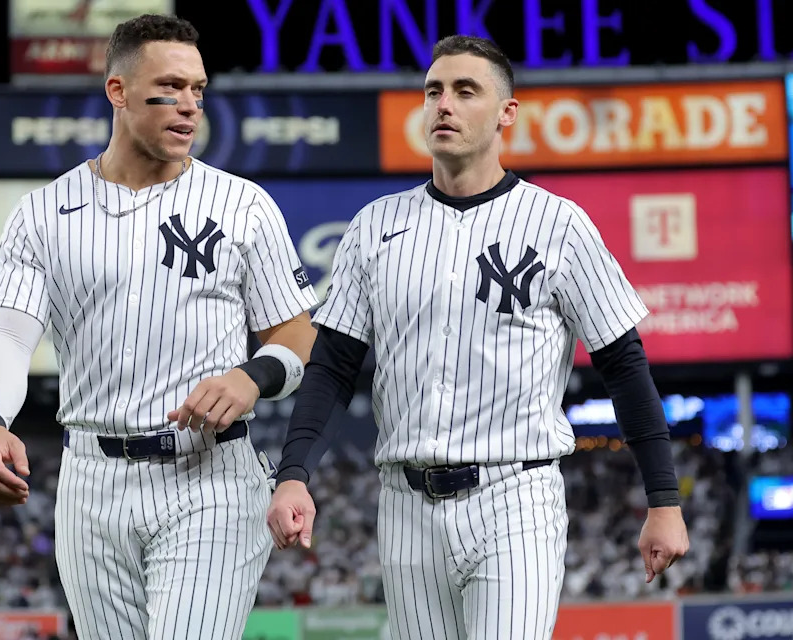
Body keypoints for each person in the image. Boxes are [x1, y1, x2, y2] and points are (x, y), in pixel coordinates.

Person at [266, 35, 689, 639]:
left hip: (514, 496)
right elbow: (332, 367)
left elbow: (624, 366)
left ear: (506, 112)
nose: (445, 104)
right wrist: (294, 473)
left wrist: (664, 501)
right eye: (434, 90)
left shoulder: (558, 224)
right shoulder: (373, 228)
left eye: (467, 91)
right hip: (405, 504)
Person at [0, 14, 318, 640]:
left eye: (198, 90)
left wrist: (252, 376)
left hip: (209, 476)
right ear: (118, 92)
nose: (189, 107)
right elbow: (7, 336)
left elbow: (296, 338)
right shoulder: (43, 213)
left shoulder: (244, 205)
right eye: (170, 88)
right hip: (90, 484)